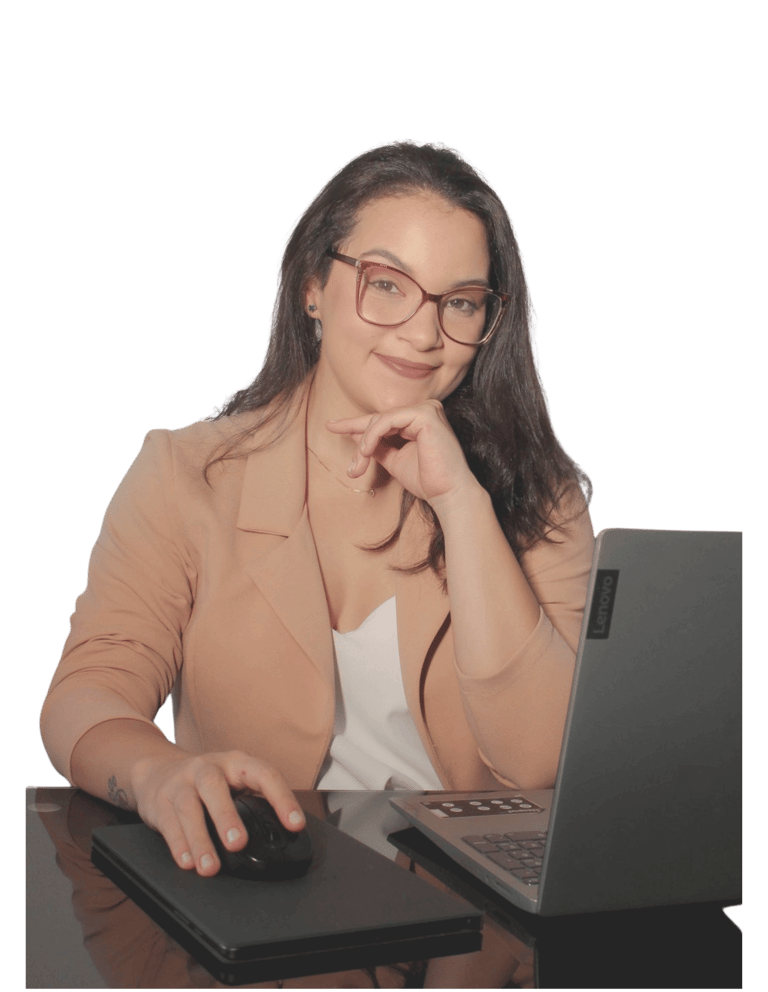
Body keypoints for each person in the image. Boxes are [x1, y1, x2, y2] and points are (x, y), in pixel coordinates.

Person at [40, 138, 595, 879]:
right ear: (312, 287)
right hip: (262, 890)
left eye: (460, 302)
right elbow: (86, 692)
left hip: (467, 912)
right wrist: (154, 772)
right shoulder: (187, 473)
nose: (424, 335)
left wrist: (461, 503)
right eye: (387, 284)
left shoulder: (539, 495)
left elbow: (543, 762)